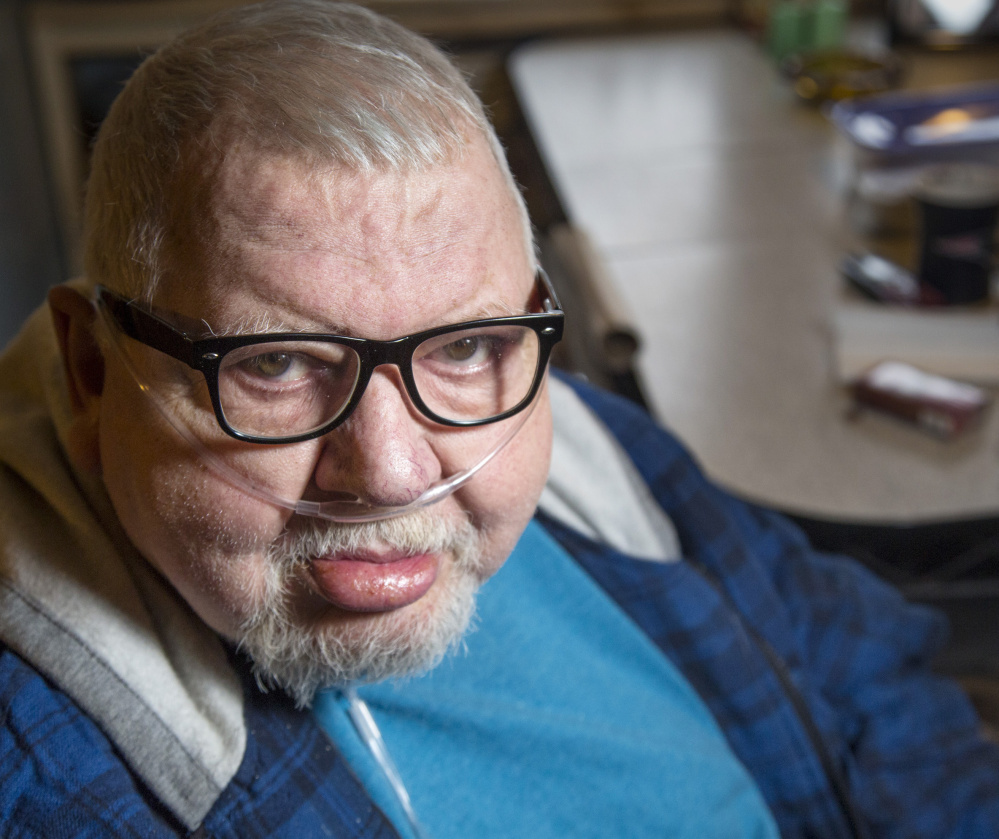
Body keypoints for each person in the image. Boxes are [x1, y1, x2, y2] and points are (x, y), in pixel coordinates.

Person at [0, 2, 996, 836]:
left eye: (463, 345)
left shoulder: (574, 438)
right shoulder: (50, 781)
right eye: (278, 364)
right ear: (94, 369)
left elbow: (860, 673)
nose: (391, 471)